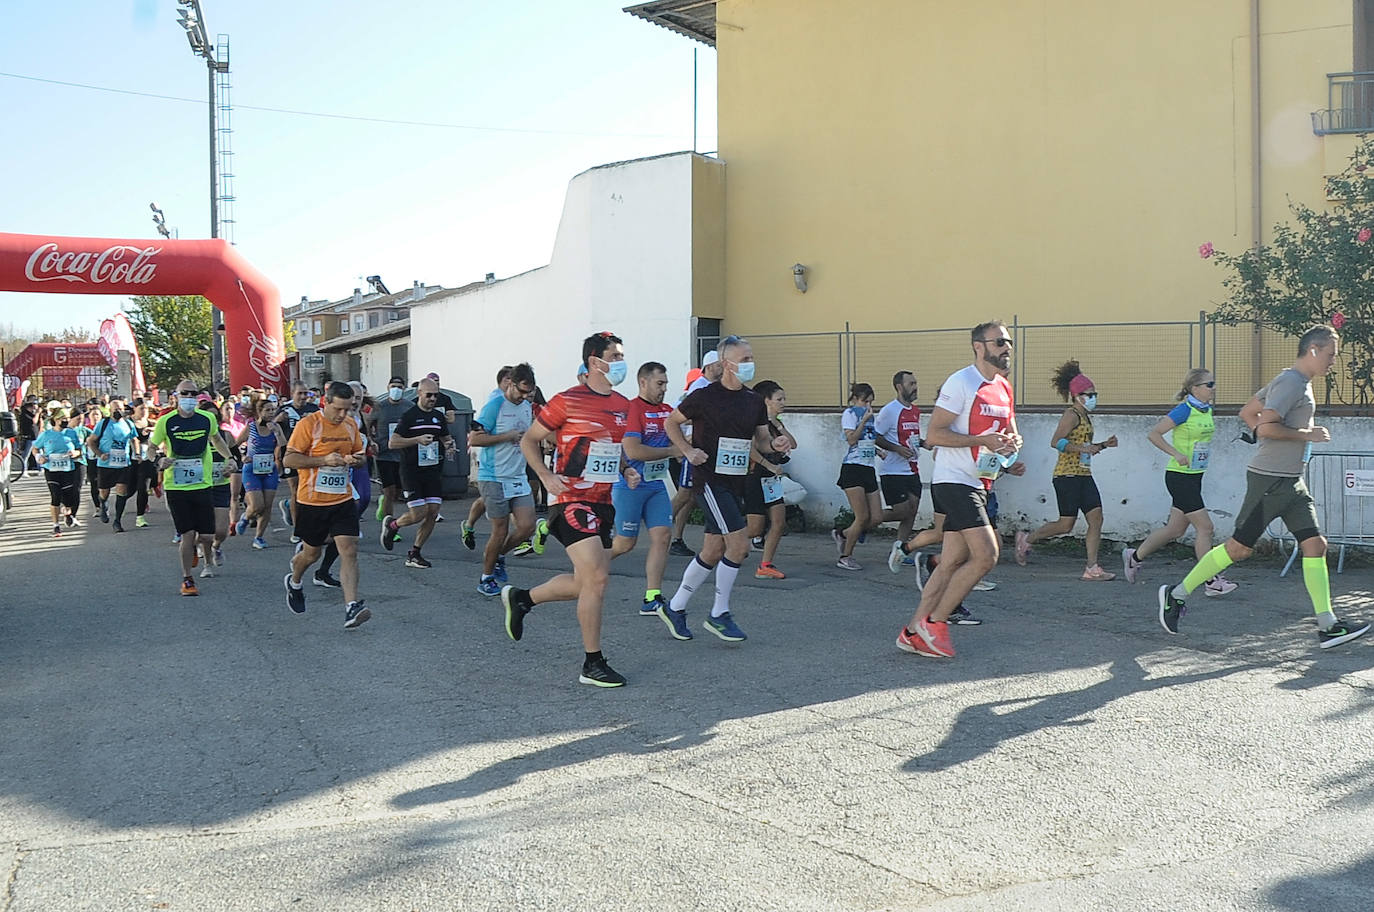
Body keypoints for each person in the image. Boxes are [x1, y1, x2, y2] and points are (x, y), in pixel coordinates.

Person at [1157, 325, 1369, 648]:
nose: (1333, 362)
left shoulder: (1294, 380)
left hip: (1290, 481)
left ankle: (1328, 625)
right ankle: (1176, 594)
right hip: (1269, 479)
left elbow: (1248, 412)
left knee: (1316, 545)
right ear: (1313, 350)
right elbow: (1266, 426)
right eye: (1330, 355)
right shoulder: (1290, 382)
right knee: (1239, 548)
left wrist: (1290, 437)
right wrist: (1306, 436)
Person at [501, 332, 635, 688]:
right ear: (595, 361)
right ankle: (592, 663)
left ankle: (523, 598)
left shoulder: (623, 404)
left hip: (603, 503)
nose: (621, 361)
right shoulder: (566, 400)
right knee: (599, 579)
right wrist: (544, 476)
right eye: (615, 355)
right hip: (570, 500)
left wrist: (626, 469)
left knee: (585, 583)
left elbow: (613, 448)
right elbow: (530, 440)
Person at [897, 321, 1023, 659]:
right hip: (954, 481)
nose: (1007, 347)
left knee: (951, 560)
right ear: (979, 347)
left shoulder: (1004, 387)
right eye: (999, 342)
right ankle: (934, 624)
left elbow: (1010, 432)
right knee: (986, 555)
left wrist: (1011, 448)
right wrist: (980, 440)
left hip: (981, 480)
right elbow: (934, 434)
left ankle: (911, 631)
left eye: (1009, 341)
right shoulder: (961, 382)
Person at [662, 335, 791, 642]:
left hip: (735, 481)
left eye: (751, 358)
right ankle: (719, 613)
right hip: (708, 479)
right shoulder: (704, 397)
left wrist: (774, 443)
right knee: (739, 546)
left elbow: (759, 439)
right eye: (744, 359)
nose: (750, 364)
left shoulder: (752, 401)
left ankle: (675, 607)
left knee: (713, 549)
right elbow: (671, 423)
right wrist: (687, 450)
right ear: (726, 364)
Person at [1122, 368, 1236, 596]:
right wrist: (1175, 453)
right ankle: (1211, 580)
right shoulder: (1184, 410)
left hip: (1195, 477)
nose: (1214, 388)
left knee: (1174, 530)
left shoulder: (1206, 410)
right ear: (1195, 388)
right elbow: (1154, 434)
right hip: (1179, 477)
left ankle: (1134, 557)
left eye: (1213, 383)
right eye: (1209, 384)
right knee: (1206, 527)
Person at [1015, 361, 1118, 581]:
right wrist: (1084, 448)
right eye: (1088, 394)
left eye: (1094, 393)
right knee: (1065, 525)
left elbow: (1084, 447)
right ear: (1076, 395)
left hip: (1083, 474)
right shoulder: (1071, 414)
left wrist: (1103, 445)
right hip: (1067, 476)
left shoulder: (1086, 416)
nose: (1093, 397)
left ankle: (1092, 567)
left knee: (1096, 518)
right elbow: (1056, 442)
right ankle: (1027, 539)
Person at [282, 381, 371, 628]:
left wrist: (357, 460)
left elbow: (360, 456)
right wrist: (322, 460)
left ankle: (351, 606)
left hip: (342, 498)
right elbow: (289, 459)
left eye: (349, 409)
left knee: (349, 549)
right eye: (339, 409)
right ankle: (295, 581)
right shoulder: (308, 425)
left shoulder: (351, 425)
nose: (343, 415)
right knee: (311, 554)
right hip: (312, 501)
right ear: (326, 402)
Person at [149, 380, 238, 597]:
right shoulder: (166, 421)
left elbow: (216, 439)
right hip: (176, 486)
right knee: (187, 534)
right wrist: (159, 461)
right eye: (184, 394)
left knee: (207, 536)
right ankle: (187, 579)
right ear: (176, 396)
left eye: (193, 394)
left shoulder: (206, 419)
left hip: (202, 484)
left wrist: (230, 458)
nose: (189, 397)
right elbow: (152, 448)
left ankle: (198, 554)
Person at [609, 361, 680, 611]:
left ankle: (652, 596)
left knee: (662, 537)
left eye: (666, 384)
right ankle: (587, 568)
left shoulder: (668, 411)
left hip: (656, 484)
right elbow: (633, 450)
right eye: (659, 383)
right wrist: (672, 450)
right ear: (643, 382)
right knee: (624, 544)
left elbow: (682, 438)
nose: (664, 389)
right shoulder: (633, 410)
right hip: (630, 485)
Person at [471, 363, 538, 596]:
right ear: (510, 384)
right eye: (520, 391)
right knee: (499, 531)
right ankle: (486, 577)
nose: (523, 397)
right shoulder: (494, 406)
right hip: (494, 476)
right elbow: (475, 439)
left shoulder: (527, 406)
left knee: (527, 526)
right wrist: (506, 436)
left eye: (528, 393)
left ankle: (499, 555)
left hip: (517, 475)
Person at [380, 377, 455, 568]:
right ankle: (393, 525)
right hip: (411, 470)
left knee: (433, 511)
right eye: (428, 395)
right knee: (418, 513)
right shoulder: (409, 415)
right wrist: (417, 439)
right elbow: (393, 442)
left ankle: (415, 553)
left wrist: (449, 445)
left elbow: (445, 437)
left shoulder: (438, 417)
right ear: (419, 394)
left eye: (435, 395)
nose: (432, 399)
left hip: (432, 469)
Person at [669, 351, 724, 557]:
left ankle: (677, 538)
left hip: (708, 448)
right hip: (695, 448)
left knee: (691, 496)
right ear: (709, 367)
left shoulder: (716, 387)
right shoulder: (698, 387)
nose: (723, 368)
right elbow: (677, 416)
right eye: (720, 364)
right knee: (685, 493)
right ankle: (661, 529)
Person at [744, 380, 796, 579]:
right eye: (779, 399)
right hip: (756, 476)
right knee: (755, 528)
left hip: (772, 478)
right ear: (765, 401)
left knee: (778, 522)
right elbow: (751, 449)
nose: (783, 402)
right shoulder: (754, 423)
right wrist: (769, 466)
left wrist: (778, 425)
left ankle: (765, 564)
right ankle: (721, 542)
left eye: (784, 398)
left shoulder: (775, 423)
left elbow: (793, 443)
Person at [460, 366, 515, 550]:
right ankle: (469, 526)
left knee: (507, 498)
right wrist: (508, 436)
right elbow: (477, 434)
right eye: (508, 379)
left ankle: (521, 535)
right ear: (501, 382)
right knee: (489, 500)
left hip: (515, 462)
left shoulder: (520, 400)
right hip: (494, 463)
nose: (512, 383)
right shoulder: (495, 400)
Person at [873, 371, 926, 549]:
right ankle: (865, 522)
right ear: (899, 387)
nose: (915, 387)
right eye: (911, 384)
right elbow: (876, 436)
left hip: (912, 469)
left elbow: (912, 437)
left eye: (915, 383)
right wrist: (897, 449)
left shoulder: (916, 411)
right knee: (901, 511)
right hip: (892, 470)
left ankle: (900, 550)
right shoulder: (889, 410)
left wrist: (926, 443)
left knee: (912, 512)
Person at [833, 383, 880, 570]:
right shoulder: (850, 414)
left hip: (868, 467)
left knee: (875, 517)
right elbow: (852, 439)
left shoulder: (870, 416)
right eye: (864, 401)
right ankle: (845, 556)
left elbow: (866, 440)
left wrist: (878, 451)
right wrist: (863, 420)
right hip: (853, 468)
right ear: (854, 400)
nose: (867, 406)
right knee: (862, 517)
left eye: (870, 402)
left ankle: (843, 534)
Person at [234, 394, 285, 550]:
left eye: (273, 410)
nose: (271, 413)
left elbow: (284, 444)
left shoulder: (276, 427)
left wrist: (276, 432)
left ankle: (259, 537)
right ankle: (245, 517)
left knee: (267, 506)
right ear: (259, 411)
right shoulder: (251, 427)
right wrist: (243, 456)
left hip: (269, 470)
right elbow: (235, 444)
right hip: (251, 469)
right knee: (257, 505)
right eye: (268, 410)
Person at [86, 396, 141, 533]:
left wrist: (138, 453)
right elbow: (91, 441)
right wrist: (99, 454)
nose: (119, 411)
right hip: (105, 463)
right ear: (109, 410)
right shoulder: (103, 424)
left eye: (121, 409)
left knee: (122, 490)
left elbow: (134, 439)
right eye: (115, 409)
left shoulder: (128, 424)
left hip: (123, 463)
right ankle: (103, 503)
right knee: (104, 491)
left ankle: (118, 521)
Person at [275, 382, 320, 541]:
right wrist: (277, 420)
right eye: (299, 393)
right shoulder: (284, 410)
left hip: (311, 454)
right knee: (295, 490)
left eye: (305, 393)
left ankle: (310, 522)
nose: (302, 397)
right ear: (292, 393)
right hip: (291, 453)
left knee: (311, 489)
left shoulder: (314, 409)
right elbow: (269, 428)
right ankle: (297, 529)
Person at [32, 406, 83, 537]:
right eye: (63, 419)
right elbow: (35, 448)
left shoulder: (71, 433)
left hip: (68, 469)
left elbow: (80, 450)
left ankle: (68, 513)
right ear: (55, 419)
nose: (66, 421)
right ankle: (56, 525)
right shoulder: (46, 434)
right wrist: (39, 457)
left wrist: (75, 453)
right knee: (55, 496)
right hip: (51, 469)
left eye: (67, 418)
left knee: (69, 497)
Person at [202, 393, 237, 575]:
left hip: (220, 484)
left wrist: (231, 465)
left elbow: (235, 457)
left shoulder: (226, 435)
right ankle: (207, 563)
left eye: (214, 416)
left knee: (221, 531)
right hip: (200, 486)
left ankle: (216, 547)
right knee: (205, 530)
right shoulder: (195, 438)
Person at [370, 375, 410, 534]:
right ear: (388, 388)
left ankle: (384, 503)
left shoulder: (409, 406)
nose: (396, 390)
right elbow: (368, 423)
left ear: (404, 390)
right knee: (389, 490)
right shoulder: (380, 406)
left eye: (400, 387)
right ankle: (388, 527)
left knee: (398, 492)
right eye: (393, 386)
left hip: (402, 454)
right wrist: (371, 441)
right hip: (384, 453)